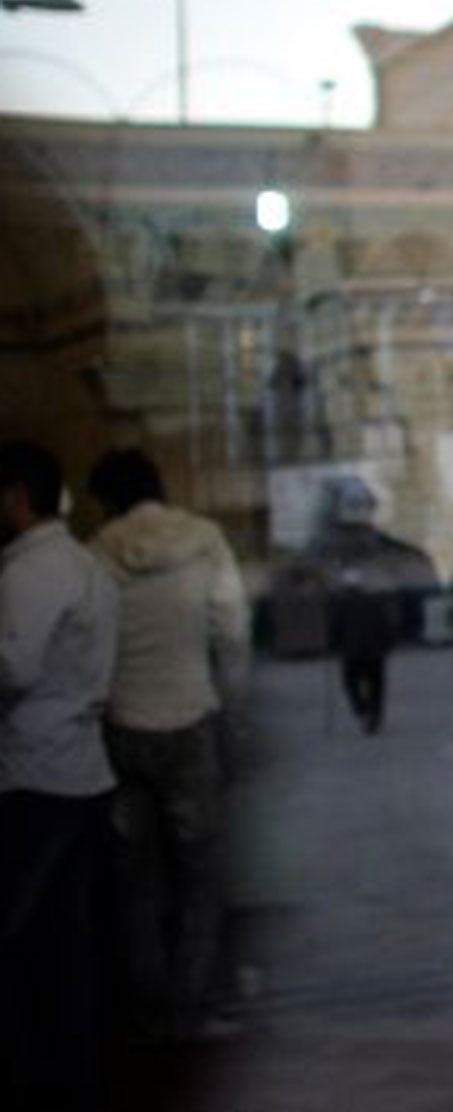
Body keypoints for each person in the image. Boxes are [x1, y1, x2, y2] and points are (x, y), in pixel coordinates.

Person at [86, 448, 250, 1042]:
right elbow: (231, 634)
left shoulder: (96, 555)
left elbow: (88, 649)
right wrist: (231, 711)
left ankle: (149, 1009)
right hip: (191, 723)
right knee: (202, 877)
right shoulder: (204, 541)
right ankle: (192, 1006)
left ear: (107, 498)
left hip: (122, 729)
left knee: (135, 878)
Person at [0, 440, 118, 1110]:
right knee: (69, 946)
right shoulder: (86, 563)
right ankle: (75, 1073)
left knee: (29, 946)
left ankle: (43, 1076)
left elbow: (13, 669)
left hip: (37, 775)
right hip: (82, 769)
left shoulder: (30, 572)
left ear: (16, 496)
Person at [299, 476, 439, 734]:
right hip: (352, 611)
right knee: (355, 672)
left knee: (372, 670)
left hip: (372, 610)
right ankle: (365, 709)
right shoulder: (328, 545)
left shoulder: (377, 543)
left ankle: (372, 713)